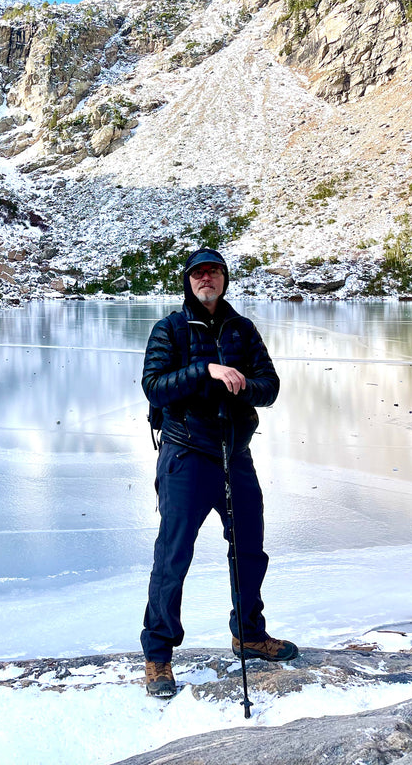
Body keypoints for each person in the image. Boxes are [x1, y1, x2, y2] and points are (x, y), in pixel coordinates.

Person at [140, 247, 297, 698]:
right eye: (198, 273)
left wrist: (244, 383)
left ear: (224, 280)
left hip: (235, 453)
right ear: (188, 282)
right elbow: (154, 386)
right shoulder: (168, 329)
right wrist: (204, 370)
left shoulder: (242, 330)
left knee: (250, 548)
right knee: (173, 555)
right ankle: (158, 656)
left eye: (213, 272)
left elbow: (270, 386)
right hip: (186, 455)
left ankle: (248, 634)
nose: (205, 279)